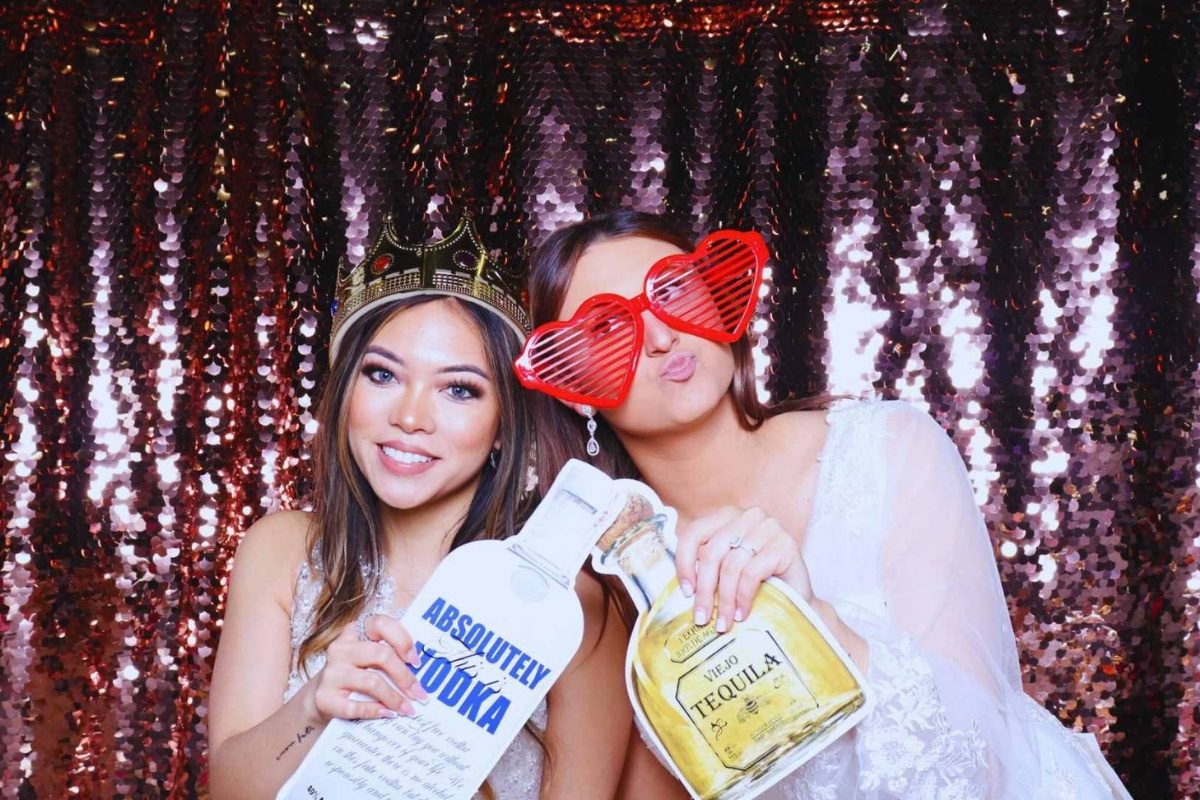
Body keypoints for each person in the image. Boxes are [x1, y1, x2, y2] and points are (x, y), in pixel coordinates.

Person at [519, 210, 1132, 800]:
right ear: (572, 388)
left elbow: (978, 768)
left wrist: (813, 620)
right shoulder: (612, 583)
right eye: (606, 327)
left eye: (675, 291)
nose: (661, 335)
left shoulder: (888, 450)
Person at [207, 215, 630, 800]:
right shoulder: (282, 549)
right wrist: (317, 707)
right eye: (382, 374)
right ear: (345, 392)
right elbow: (228, 790)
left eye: (459, 389)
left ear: (505, 424)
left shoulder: (570, 603)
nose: (409, 417)